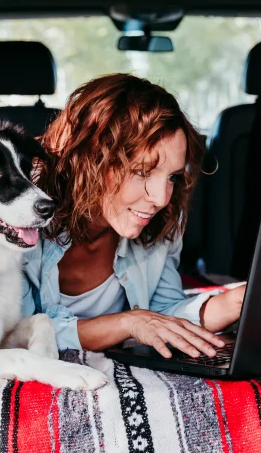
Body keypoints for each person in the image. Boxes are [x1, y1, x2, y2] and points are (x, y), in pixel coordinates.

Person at [24, 73, 246, 359]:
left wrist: (231, 304)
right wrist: (127, 323)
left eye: (173, 176)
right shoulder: (17, 213)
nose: (161, 198)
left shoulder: (163, 218)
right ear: (91, 161)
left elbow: (162, 316)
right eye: (143, 172)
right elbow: (11, 334)